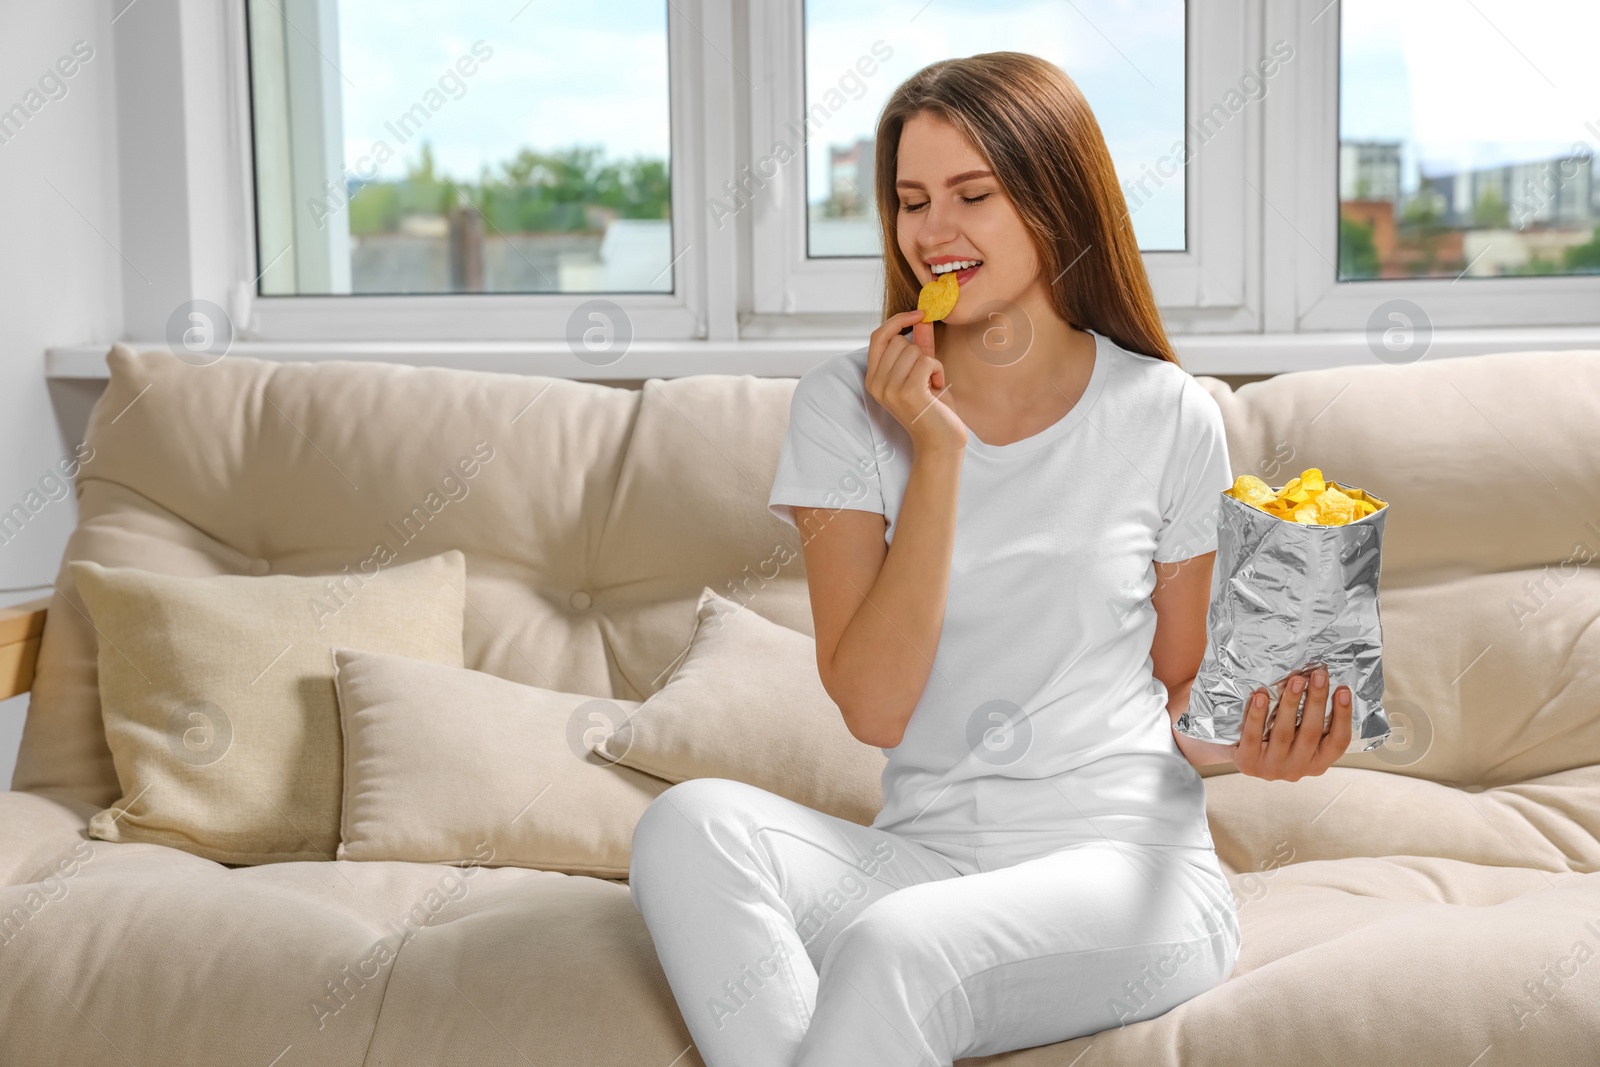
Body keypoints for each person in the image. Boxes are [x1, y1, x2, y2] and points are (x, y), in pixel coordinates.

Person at [627, 51, 1354, 1067]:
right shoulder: (845, 407)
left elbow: (1183, 691)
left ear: (1054, 203)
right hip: (924, 859)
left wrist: (1261, 740)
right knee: (686, 824)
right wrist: (933, 448)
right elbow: (875, 706)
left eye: (973, 194)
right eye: (910, 199)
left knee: (895, 947)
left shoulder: (1163, 412)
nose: (932, 232)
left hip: (1126, 869)